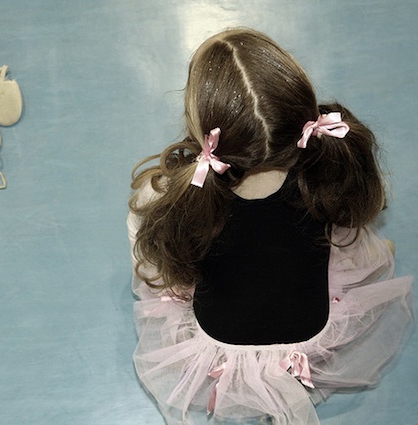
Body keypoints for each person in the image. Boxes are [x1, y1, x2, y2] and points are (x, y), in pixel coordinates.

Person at [127, 28, 414, 425]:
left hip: (222, 339)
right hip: (309, 328)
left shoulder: (165, 200)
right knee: (352, 244)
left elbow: (157, 268)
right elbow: (347, 221)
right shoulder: (326, 173)